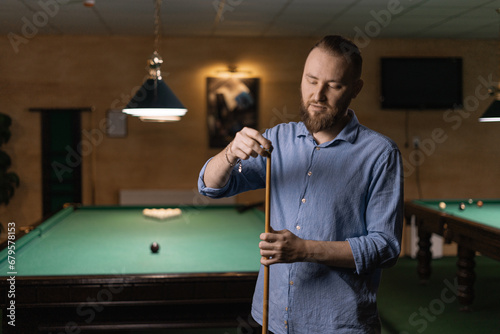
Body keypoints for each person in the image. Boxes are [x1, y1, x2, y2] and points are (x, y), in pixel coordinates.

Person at [198, 35, 403, 334]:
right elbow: (211, 186)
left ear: (355, 89)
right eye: (311, 80)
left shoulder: (381, 153)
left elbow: (386, 248)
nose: (317, 95)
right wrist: (230, 151)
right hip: (270, 317)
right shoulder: (276, 140)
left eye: (333, 85)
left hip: (338, 325)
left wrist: (304, 250)